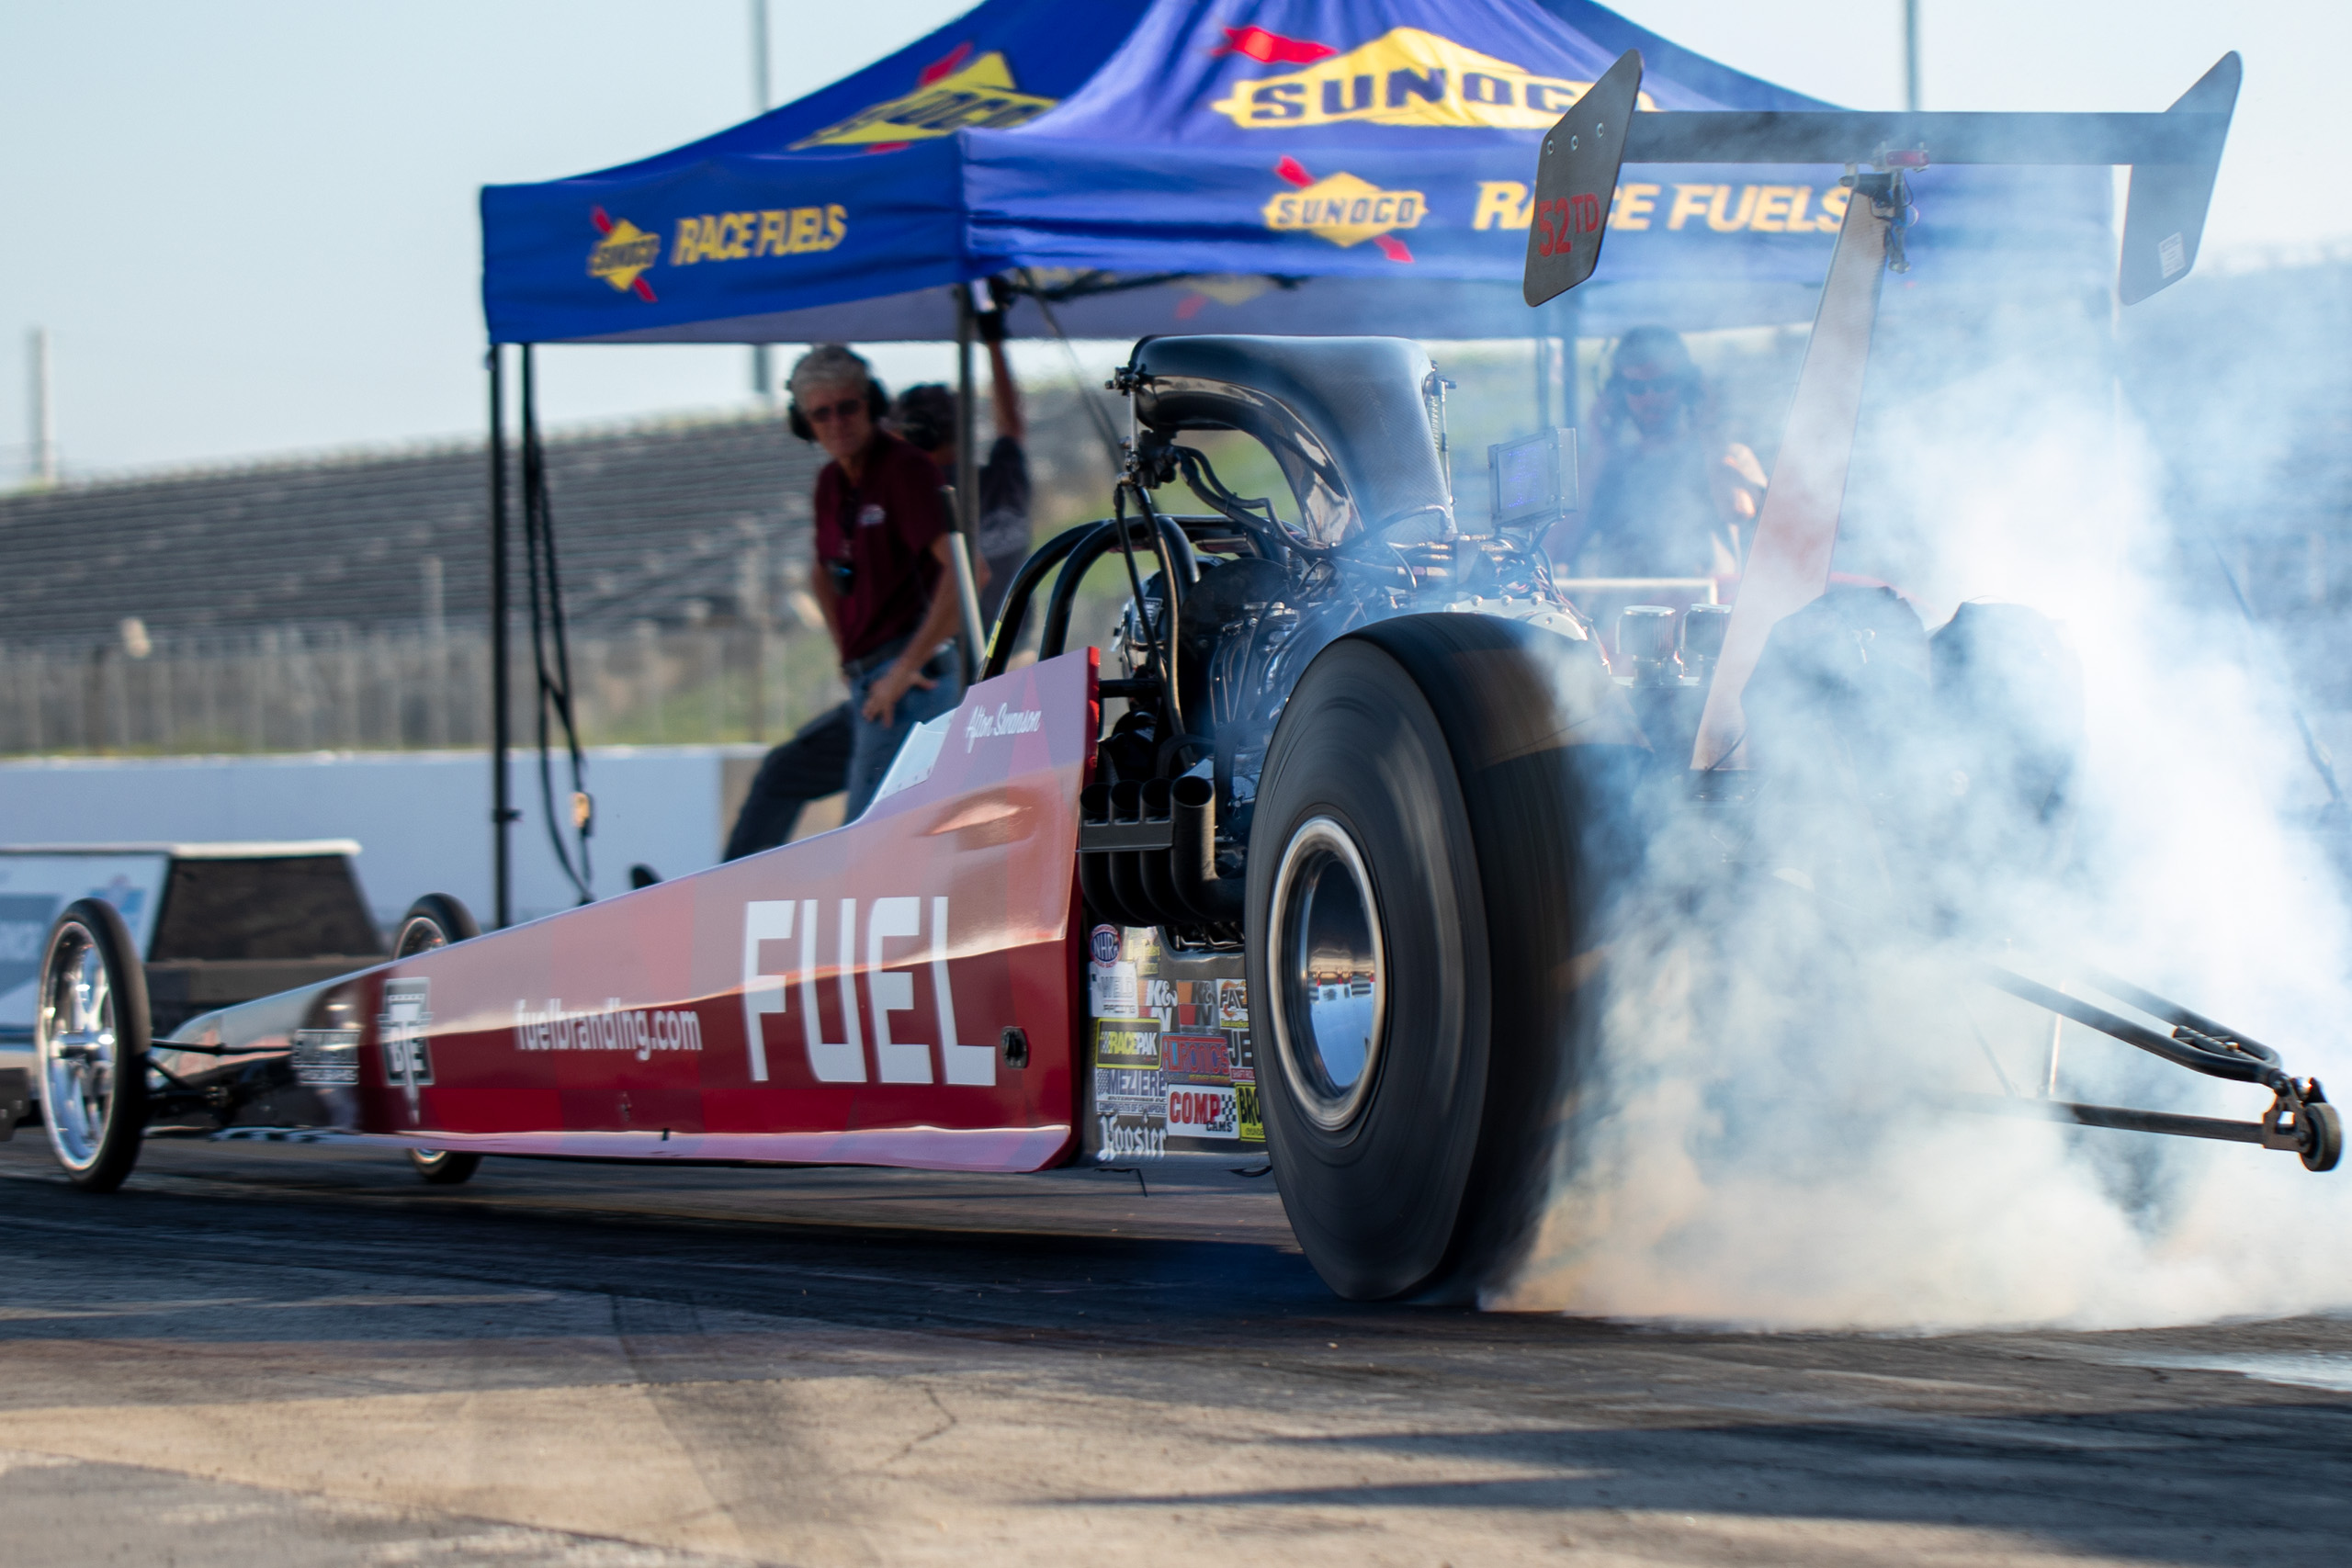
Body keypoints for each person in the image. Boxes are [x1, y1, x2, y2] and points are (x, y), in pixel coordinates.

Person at [795, 343, 980, 821]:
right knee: (785, 778)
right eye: (821, 415)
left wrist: (904, 666)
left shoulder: (905, 469)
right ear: (804, 425)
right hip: (871, 681)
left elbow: (968, 573)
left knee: (863, 836)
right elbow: (821, 573)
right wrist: (844, 651)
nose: (836, 423)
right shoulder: (829, 483)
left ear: (873, 404)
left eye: (848, 408)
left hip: (909, 682)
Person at [1559, 325, 1769, 581]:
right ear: (1617, 395)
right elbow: (1556, 550)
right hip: (1618, 616)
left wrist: (1708, 428)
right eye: (1636, 387)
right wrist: (1598, 451)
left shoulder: (1729, 456)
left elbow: (1737, 509)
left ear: (1688, 389)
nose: (1650, 397)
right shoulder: (1607, 466)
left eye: (1662, 385)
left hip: (1701, 613)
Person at [893, 310, 1031, 626]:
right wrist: (994, 340)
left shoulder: (920, 496)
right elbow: (1011, 424)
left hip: (960, 655)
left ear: (915, 434)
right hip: (1017, 643)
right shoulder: (1005, 477)